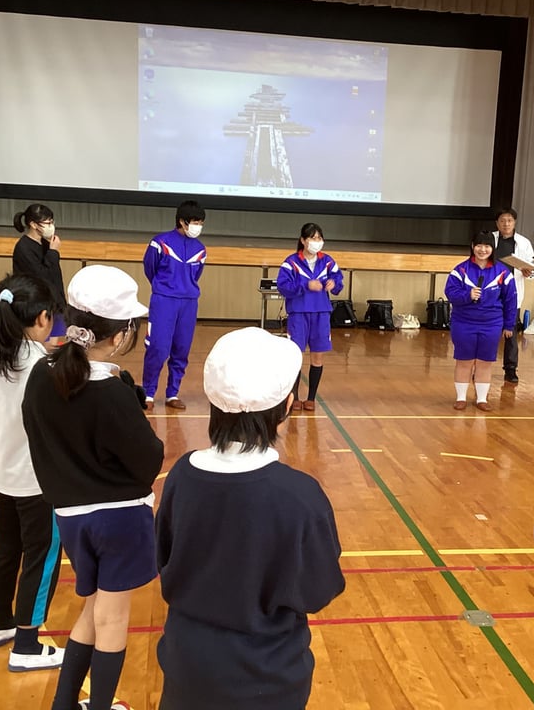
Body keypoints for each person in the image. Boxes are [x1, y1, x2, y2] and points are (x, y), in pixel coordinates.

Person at [154, 326, 345, 710]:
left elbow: (164, 557)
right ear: (287, 405)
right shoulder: (300, 496)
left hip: (186, 666)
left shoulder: (181, 476)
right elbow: (317, 590)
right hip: (268, 679)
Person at [22, 265, 164, 710]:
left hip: (70, 516)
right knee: (113, 617)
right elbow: (149, 460)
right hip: (120, 519)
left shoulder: (42, 373)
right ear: (119, 335)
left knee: (93, 608)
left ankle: (65, 702)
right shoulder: (109, 391)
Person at [0, 274, 64, 672]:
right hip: (36, 481)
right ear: (43, 318)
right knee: (42, 557)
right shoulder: (42, 366)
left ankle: (0, 624)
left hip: (0, 476)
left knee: (6, 548)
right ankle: (27, 643)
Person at [142, 199, 207, 409]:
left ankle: (172, 394)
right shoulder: (160, 243)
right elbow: (150, 268)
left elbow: (196, 275)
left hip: (189, 303)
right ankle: (148, 393)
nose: (198, 226)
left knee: (181, 349)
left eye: (201, 223)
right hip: (163, 301)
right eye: (195, 222)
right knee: (158, 347)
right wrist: (163, 288)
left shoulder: (201, 249)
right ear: (182, 221)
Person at [444, 231, 517, 411]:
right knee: (464, 361)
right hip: (463, 322)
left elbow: (511, 300)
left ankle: (482, 399)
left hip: (491, 324)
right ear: (472, 246)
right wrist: (467, 295)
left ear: (493, 248)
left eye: (487, 246)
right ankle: (461, 398)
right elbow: (450, 293)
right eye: (479, 245)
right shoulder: (460, 270)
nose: (482, 250)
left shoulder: (503, 272)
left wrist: (509, 325)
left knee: (485, 362)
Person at [276, 222, 344, 412]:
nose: (317, 241)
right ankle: (294, 397)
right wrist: (305, 286)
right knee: (295, 356)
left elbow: (338, 279)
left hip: (321, 313)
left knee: (317, 356)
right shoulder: (291, 262)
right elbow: (283, 286)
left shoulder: (327, 261)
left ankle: (311, 398)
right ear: (303, 240)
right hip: (298, 314)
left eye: (319, 238)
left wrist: (334, 284)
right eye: (313, 238)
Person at [12, 203, 67, 347]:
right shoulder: (23, 247)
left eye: (52, 222)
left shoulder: (45, 243)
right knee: (44, 346)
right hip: (38, 305)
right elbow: (41, 276)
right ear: (33, 224)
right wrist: (53, 252)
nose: (51, 226)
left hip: (54, 303)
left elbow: (55, 274)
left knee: (54, 343)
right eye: (47, 223)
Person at [491, 206, 534, 383]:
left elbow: (532, 269)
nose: (506, 224)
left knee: (511, 332)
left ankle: (510, 369)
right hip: (491, 291)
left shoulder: (523, 243)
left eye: (509, 220)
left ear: (514, 222)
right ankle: (480, 365)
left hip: (512, 292)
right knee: (487, 330)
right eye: (502, 221)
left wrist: (528, 272)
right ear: (497, 223)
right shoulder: (490, 239)